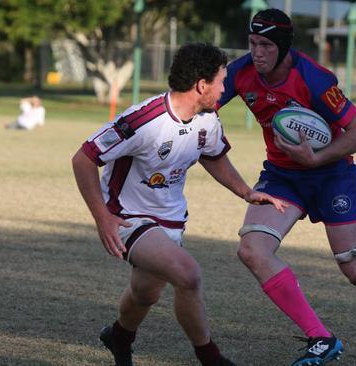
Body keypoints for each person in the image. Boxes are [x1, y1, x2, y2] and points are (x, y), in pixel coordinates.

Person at [216, 9, 356, 366]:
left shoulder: (315, 80)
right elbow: (201, 105)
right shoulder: (240, 73)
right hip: (282, 177)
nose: (257, 52)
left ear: (283, 46)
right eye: (252, 43)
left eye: (265, 45)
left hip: (332, 175)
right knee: (252, 250)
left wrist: (317, 160)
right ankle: (320, 337)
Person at [72, 43, 286, 366]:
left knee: (146, 293)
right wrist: (102, 218)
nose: (225, 88)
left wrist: (245, 191)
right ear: (202, 85)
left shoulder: (207, 119)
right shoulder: (145, 120)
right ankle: (210, 358)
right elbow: (84, 158)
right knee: (188, 274)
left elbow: (213, 156)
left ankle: (119, 336)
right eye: (222, 81)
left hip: (170, 220)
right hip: (128, 217)